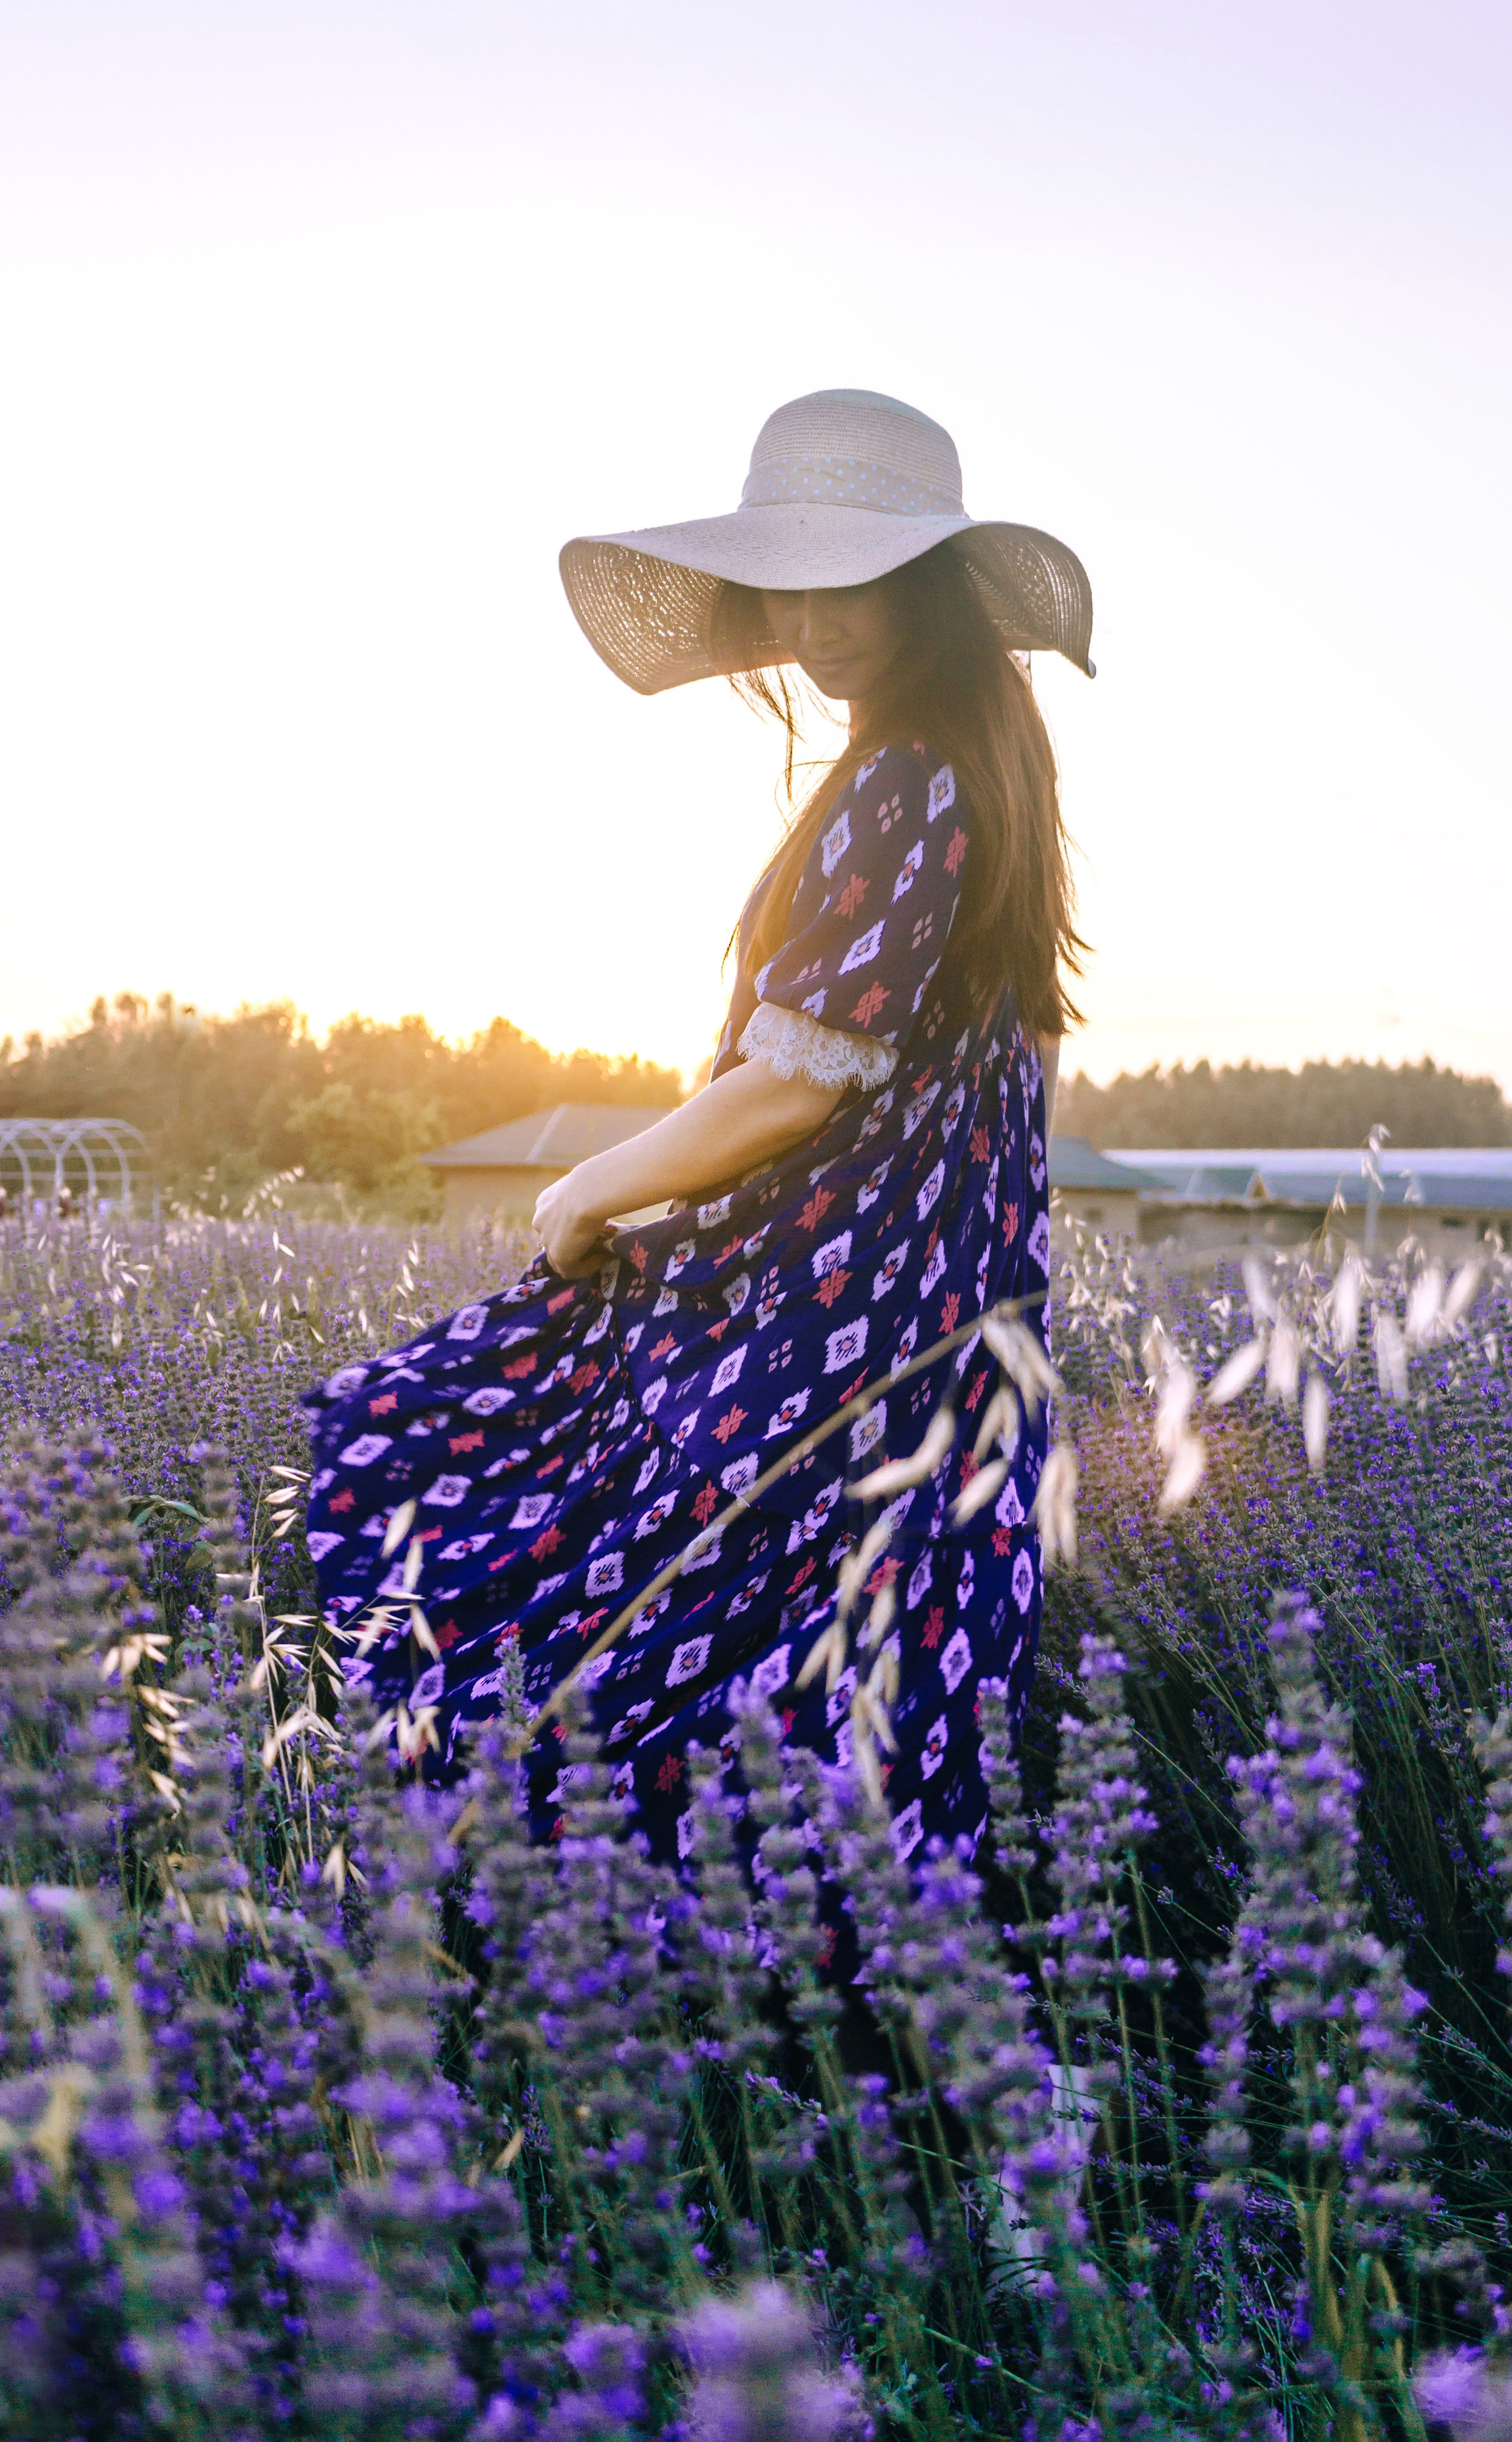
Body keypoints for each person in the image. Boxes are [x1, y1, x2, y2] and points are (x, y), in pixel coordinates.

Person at [302, 388, 1093, 1889]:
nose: (812, 619)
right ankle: (824, 1965)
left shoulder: (905, 776)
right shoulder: (988, 769)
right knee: (846, 1664)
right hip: (938, 1321)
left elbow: (794, 1084)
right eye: (786, 581)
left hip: (825, 1321)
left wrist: (589, 1188)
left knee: (454, 1471)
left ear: (926, 585)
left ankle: (513, 1906)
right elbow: (1012, 1071)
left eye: (851, 577)